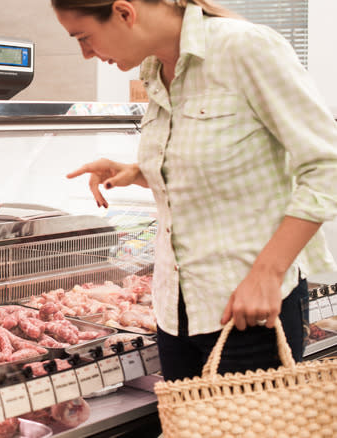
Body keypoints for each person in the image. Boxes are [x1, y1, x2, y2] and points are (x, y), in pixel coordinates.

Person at [52, 0, 337, 381]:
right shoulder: (154, 69)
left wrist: (267, 273)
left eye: (84, 38)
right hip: (173, 313)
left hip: (248, 311)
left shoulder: (245, 48)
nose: (86, 54)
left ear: (124, 13)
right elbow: (219, 165)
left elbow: (325, 165)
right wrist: (139, 172)